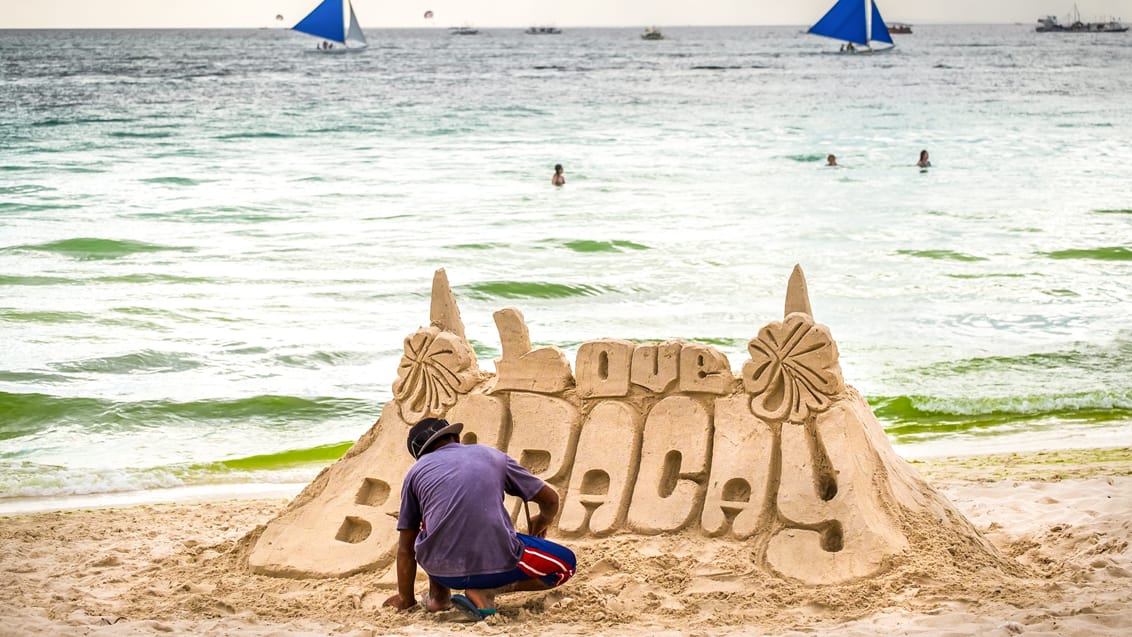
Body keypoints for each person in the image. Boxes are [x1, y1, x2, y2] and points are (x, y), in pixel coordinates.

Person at [383, 418, 576, 622]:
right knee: (566, 565)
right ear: (457, 438)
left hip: (443, 571)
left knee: (428, 521)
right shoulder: (492, 455)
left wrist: (405, 599)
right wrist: (543, 520)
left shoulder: (415, 473)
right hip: (496, 562)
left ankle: (438, 597)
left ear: (419, 456)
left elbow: (406, 548)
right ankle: (487, 590)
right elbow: (551, 500)